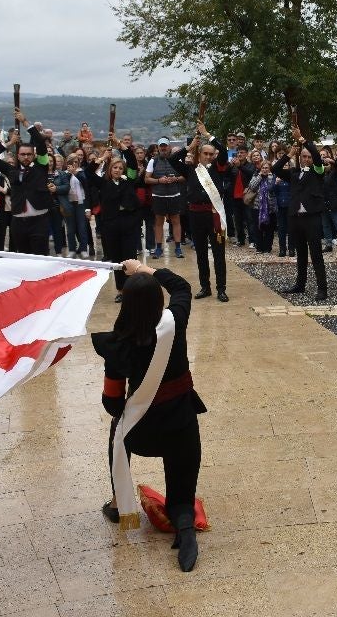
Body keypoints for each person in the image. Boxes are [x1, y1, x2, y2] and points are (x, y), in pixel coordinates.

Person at [95, 258, 203, 571]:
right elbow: (182, 287)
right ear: (159, 300)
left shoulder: (118, 344)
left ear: (125, 305)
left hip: (141, 433)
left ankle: (119, 503)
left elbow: (112, 402)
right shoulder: (175, 321)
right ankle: (183, 520)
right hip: (180, 425)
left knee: (118, 430)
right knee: (182, 484)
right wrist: (146, 269)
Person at [171, 122, 230, 301]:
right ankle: (205, 287)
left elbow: (224, 152)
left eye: (211, 154)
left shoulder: (219, 169)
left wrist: (207, 134)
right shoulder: (191, 170)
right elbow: (173, 160)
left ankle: (221, 289)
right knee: (201, 253)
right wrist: (189, 147)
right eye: (205, 153)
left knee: (219, 254)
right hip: (196, 216)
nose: (208, 156)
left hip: (214, 215)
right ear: (200, 154)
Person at [0, 108, 52, 255]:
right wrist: (8, 143)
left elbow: (40, 142)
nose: (26, 157)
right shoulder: (10, 170)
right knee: (23, 258)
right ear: (18, 155)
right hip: (18, 222)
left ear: (34, 156)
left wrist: (25, 122)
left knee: (41, 257)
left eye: (29, 154)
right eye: (23, 154)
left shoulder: (41, 166)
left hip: (39, 221)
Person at [273, 130, 328, 300]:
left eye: (309, 156)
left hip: (312, 217)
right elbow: (275, 168)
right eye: (303, 156)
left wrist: (303, 140)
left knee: (316, 253)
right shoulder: (294, 173)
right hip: (295, 217)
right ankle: (300, 284)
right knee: (301, 253)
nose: (306, 159)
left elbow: (317, 158)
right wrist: (289, 154)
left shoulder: (318, 172)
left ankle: (322, 288)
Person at [88, 146, 143, 301]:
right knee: (117, 259)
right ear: (110, 169)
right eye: (115, 167)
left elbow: (132, 162)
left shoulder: (129, 181)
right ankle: (121, 289)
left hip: (129, 225)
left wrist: (121, 145)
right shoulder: (103, 184)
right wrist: (101, 158)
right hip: (111, 226)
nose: (118, 170)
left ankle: (132, 288)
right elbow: (88, 172)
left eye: (120, 168)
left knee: (130, 257)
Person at [146, 143, 187, 258]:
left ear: (169, 147)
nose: (163, 148)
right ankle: (159, 248)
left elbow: (186, 176)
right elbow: (146, 179)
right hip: (158, 195)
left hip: (174, 194)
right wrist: (159, 181)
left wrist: (176, 179)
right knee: (159, 222)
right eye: (161, 146)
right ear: (158, 148)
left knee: (176, 221)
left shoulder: (177, 161)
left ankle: (178, 248)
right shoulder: (152, 161)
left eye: (165, 146)